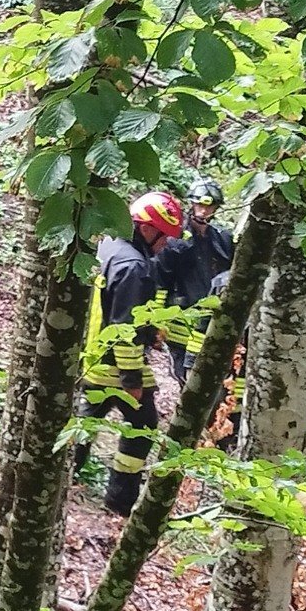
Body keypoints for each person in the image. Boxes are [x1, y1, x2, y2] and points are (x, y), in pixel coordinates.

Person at [90, 193, 185, 515]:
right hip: (114, 366)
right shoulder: (134, 266)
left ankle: (61, 475)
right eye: (164, 237)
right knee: (142, 427)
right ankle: (120, 500)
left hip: (93, 355)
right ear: (147, 229)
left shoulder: (110, 246)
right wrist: (132, 380)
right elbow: (124, 326)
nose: (165, 246)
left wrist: (152, 331)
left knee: (86, 420)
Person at [155, 182, 234, 389]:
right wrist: (158, 321)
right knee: (187, 381)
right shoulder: (175, 239)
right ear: (191, 204)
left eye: (209, 206)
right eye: (199, 205)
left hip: (211, 322)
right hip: (181, 323)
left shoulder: (223, 239)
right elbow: (161, 282)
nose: (204, 210)